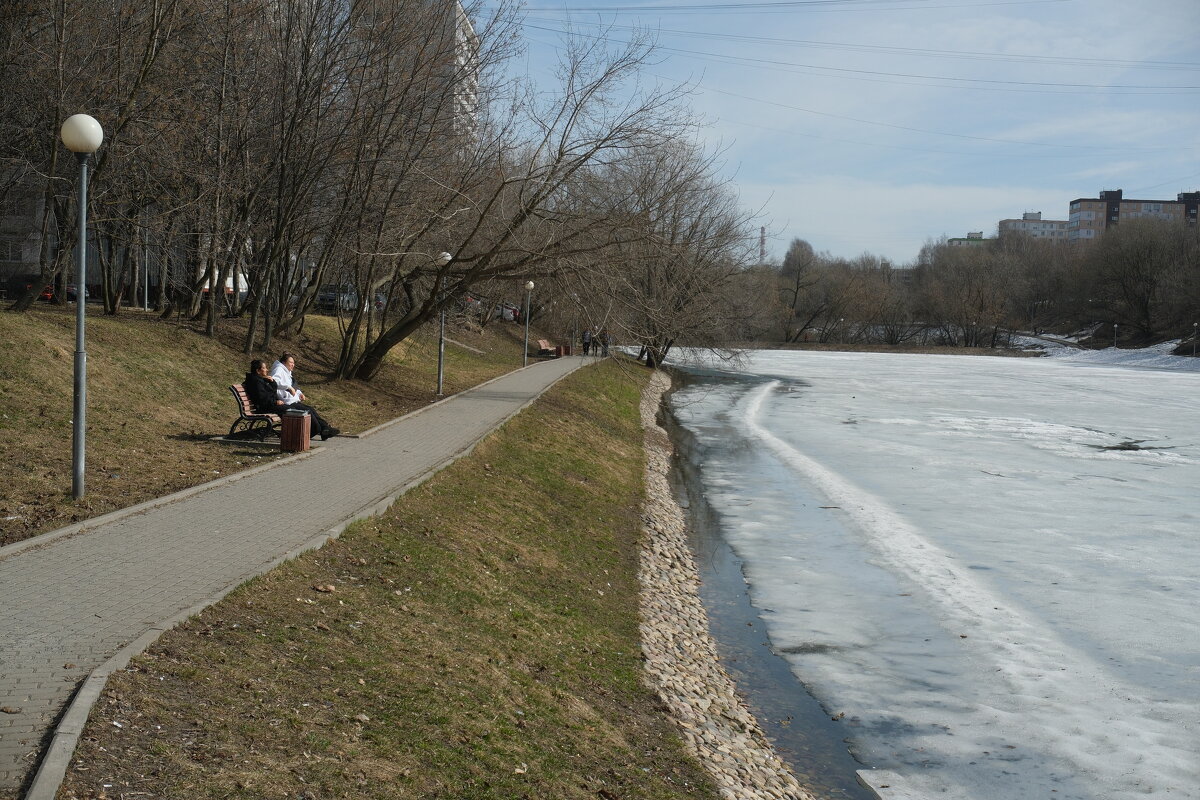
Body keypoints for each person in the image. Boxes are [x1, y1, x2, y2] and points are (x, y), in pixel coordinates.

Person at [245, 357, 339, 440]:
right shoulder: (257, 381)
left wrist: (272, 382)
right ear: (258, 371)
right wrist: (275, 401)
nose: (267, 369)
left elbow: (270, 392)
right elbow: (262, 398)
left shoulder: (260, 380)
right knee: (294, 411)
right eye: (264, 368)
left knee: (307, 409)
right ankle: (314, 431)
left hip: (271, 404)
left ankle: (322, 429)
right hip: (266, 407)